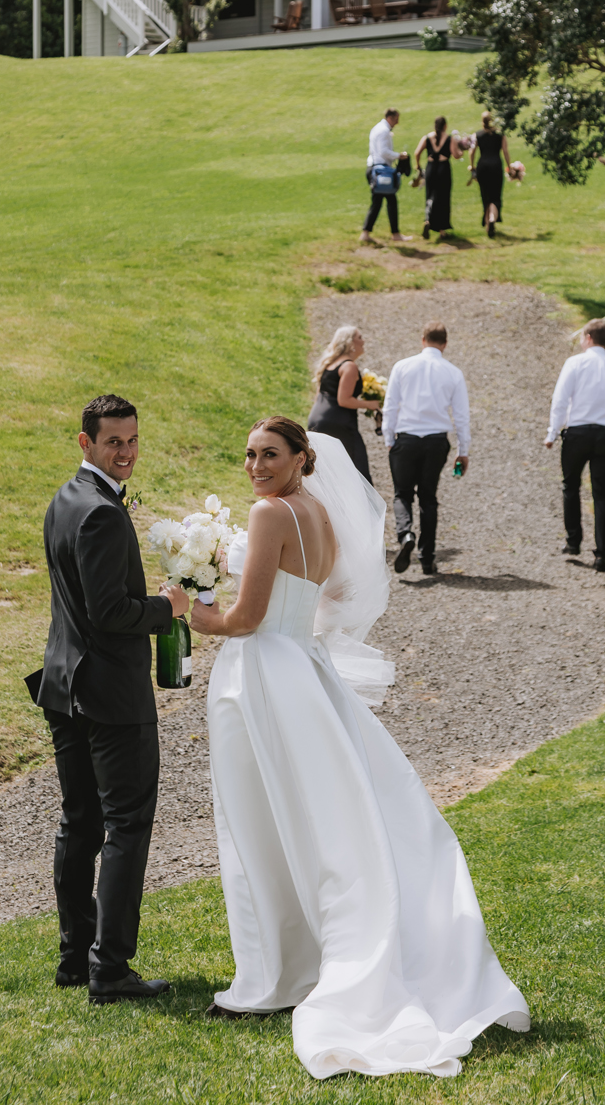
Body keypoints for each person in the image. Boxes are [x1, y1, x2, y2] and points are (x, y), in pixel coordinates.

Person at [190, 418, 528, 1078]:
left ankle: (271, 979)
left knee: (259, 825)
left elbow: (244, 619)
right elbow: (337, 593)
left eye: (270, 454)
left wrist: (182, 608)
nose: (257, 466)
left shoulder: (269, 514)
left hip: (260, 673)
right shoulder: (316, 510)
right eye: (250, 454)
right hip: (306, 671)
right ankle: (303, 962)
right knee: (318, 820)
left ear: (300, 458)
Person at [27, 394, 188, 1003]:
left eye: (132, 441)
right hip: (109, 698)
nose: (125, 453)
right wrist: (167, 609)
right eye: (112, 442)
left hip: (64, 687)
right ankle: (110, 970)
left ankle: (74, 957)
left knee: (81, 822)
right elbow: (110, 613)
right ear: (85, 443)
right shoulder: (100, 513)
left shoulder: (64, 500)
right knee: (126, 827)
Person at [544, 319, 605, 572]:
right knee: (601, 494)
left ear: (588, 337)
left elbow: (561, 400)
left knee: (571, 486)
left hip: (577, 433)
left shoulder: (574, 364)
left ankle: (573, 541)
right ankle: (601, 554)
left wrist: (552, 433)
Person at [381, 322, 470, 575]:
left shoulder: (402, 366)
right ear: (445, 343)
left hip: (406, 438)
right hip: (435, 441)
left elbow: (390, 406)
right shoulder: (453, 372)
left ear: (422, 340)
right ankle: (427, 557)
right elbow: (462, 416)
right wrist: (463, 451)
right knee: (428, 498)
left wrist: (389, 439)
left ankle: (405, 534)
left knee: (402, 494)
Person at [307, 324, 381, 483]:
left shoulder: (328, 364)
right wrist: (371, 404)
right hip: (338, 421)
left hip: (317, 418)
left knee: (326, 467)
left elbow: (320, 393)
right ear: (350, 343)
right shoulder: (349, 366)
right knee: (357, 466)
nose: (363, 341)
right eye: (360, 337)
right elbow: (344, 399)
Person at [360, 107, 412, 243]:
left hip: (376, 169)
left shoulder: (378, 128)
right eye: (396, 119)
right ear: (390, 117)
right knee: (387, 201)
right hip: (381, 171)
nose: (397, 122)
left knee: (380, 202)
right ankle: (393, 234)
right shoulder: (383, 131)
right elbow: (383, 152)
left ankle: (367, 233)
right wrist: (399, 156)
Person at [414, 114, 463, 240]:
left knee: (430, 196)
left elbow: (417, 152)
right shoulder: (449, 138)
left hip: (430, 168)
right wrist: (462, 150)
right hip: (443, 169)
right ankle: (442, 230)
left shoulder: (427, 137)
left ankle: (428, 220)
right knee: (443, 198)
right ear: (445, 126)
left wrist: (419, 167)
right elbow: (456, 155)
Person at [469, 110, 512, 238]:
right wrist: (510, 167)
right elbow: (505, 151)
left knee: (485, 196)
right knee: (495, 196)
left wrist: (472, 167)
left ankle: (488, 225)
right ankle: (493, 219)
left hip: (482, 166)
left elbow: (471, 151)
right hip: (496, 166)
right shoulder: (500, 134)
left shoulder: (477, 135)